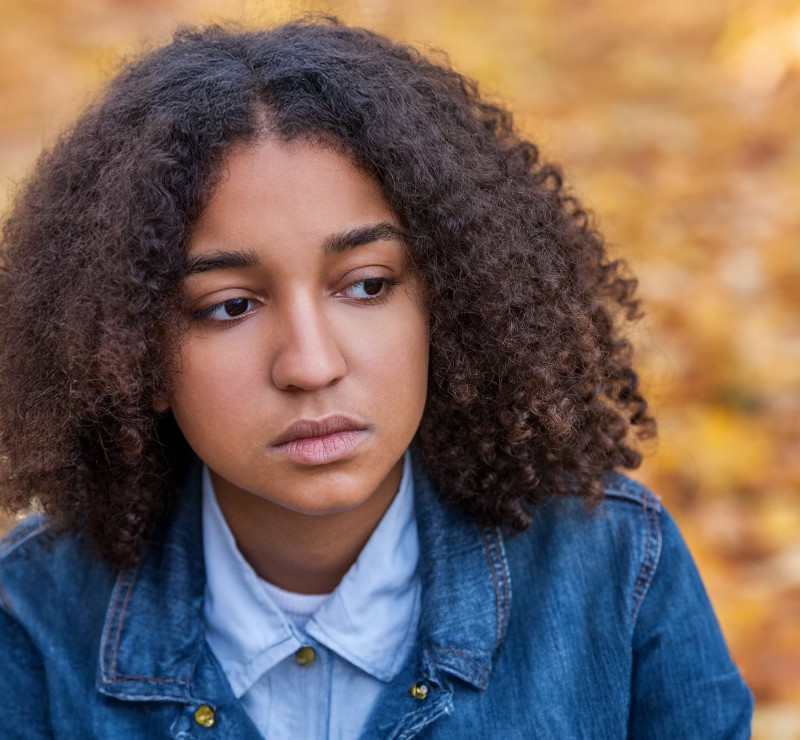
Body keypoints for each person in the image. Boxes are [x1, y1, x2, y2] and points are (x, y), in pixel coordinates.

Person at [0, 18, 753, 739]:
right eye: (230, 306)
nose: (311, 365)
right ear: (132, 351)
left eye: (366, 286)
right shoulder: (28, 617)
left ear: (448, 303)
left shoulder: (616, 566)